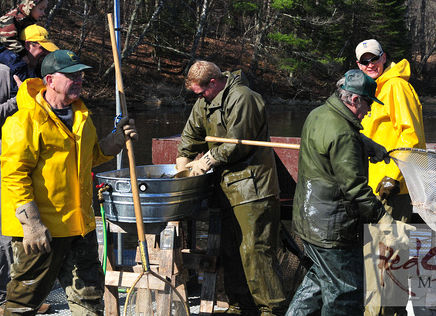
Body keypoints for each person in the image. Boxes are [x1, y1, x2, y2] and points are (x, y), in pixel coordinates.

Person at [0, 49, 137, 315]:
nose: (79, 79)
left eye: (81, 74)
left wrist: (116, 140)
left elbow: (90, 157)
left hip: (80, 226)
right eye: (72, 75)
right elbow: (14, 175)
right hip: (41, 231)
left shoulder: (81, 117)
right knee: (23, 302)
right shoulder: (24, 120)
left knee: (89, 299)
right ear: (50, 80)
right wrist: (31, 223)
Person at [287, 70, 414, 315]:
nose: (369, 110)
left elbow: (334, 140)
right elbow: (356, 189)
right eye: (368, 103)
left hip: (307, 221)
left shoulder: (318, 114)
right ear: (354, 100)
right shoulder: (344, 133)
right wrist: (387, 223)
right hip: (331, 230)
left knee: (317, 282)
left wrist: (367, 144)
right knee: (345, 294)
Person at [175, 60, 285, 315]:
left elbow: (238, 143)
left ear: (213, 83)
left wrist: (207, 160)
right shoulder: (205, 101)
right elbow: (192, 133)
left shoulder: (244, 98)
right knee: (232, 251)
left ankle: (271, 309)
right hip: (227, 188)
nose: (199, 98)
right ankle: (240, 305)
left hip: (253, 187)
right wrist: (184, 158)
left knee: (256, 251)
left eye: (201, 92)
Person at [0, 24, 58, 316]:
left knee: (22, 231)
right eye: (42, 48)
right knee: (2, 234)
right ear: (28, 46)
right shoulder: (0, 72)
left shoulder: (30, 74)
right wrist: (20, 101)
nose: (43, 54)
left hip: (25, 162)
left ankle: (23, 297)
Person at [356, 39, 426, 316]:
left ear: (384, 57)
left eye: (374, 58)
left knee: (389, 256)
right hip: (371, 186)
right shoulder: (370, 89)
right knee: (375, 258)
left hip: (391, 189)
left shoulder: (397, 86)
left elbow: (413, 138)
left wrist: (394, 177)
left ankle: (384, 313)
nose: (370, 64)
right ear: (358, 65)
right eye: (364, 61)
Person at [0, 0, 49, 98]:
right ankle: (18, 93)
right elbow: (8, 38)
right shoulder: (12, 18)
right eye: (41, 9)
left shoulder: (28, 20)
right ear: (29, 6)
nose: (43, 13)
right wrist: (23, 54)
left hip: (12, 46)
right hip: (1, 47)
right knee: (18, 64)